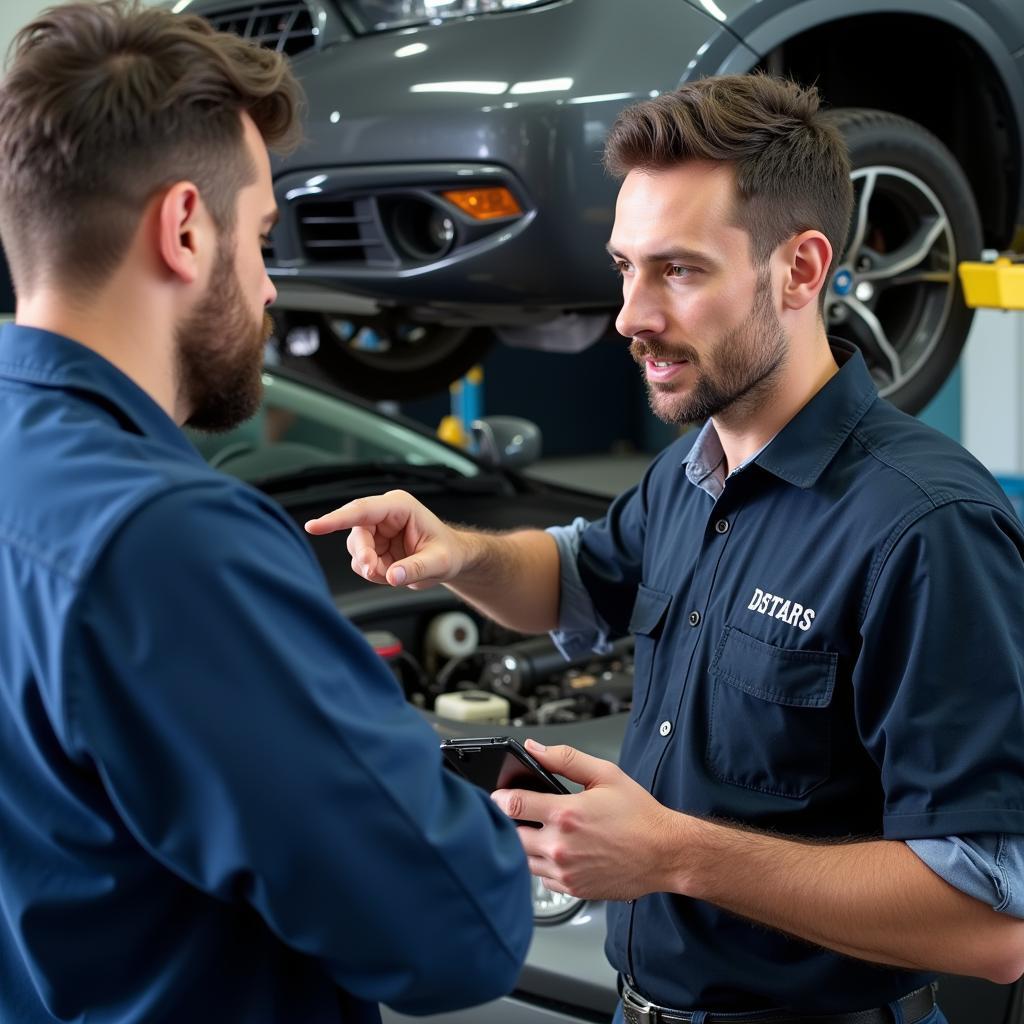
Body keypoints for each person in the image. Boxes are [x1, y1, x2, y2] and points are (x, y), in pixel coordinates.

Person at [306, 74, 1024, 1022]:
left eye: (678, 270)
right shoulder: (694, 468)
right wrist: (459, 553)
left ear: (801, 271)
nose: (630, 315)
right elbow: (576, 580)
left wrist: (673, 853)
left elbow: (991, 923)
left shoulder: (928, 528)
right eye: (624, 266)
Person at [0, 3, 533, 1022]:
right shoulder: (163, 540)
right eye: (260, 238)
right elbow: (461, 934)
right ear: (187, 228)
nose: (270, 287)